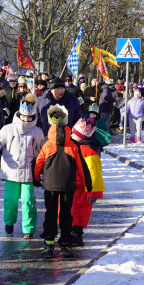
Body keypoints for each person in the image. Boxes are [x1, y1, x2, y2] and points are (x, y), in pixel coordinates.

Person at [0, 93, 44, 238]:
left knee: (28, 201)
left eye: (29, 117)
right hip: (11, 171)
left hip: (28, 172)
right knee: (10, 200)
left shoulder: (37, 132)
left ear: (33, 117)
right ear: (19, 115)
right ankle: (9, 222)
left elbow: (42, 150)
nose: (26, 119)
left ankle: (28, 228)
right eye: (23, 116)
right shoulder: (8, 129)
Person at [33, 105, 92, 259]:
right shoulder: (73, 145)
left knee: (50, 214)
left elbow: (38, 162)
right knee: (66, 215)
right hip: (68, 184)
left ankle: (48, 243)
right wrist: (88, 183)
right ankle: (65, 244)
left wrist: (35, 177)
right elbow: (81, 166)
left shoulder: (47, 144)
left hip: (50, 184)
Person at [69, 119, 105, 247]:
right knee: (71, 211)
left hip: (82, 189)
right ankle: (70, 234)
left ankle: (76, 236)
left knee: (79, 212)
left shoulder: (88, 153)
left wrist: (93, 192)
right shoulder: (73, 147)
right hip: (71, 187)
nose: (71, 136)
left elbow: (94, 173)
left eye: (74, 135)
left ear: (81, 137)